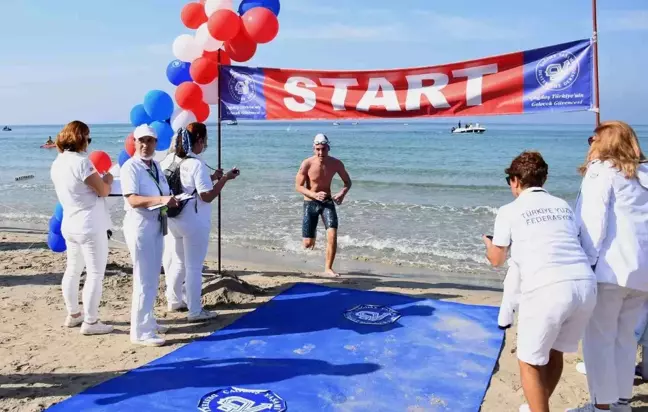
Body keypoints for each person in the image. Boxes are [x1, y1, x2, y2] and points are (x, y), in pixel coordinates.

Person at [482, 151, 596, 412]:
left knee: (529, 362)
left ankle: (538, 407)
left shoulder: (509, 210)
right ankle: (538, 405)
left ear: (514, 180)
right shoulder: (562, 205)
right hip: (584, 284)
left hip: (547, 288)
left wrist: (488, 245)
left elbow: (497, 259)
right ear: (542, 180)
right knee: (555, 352)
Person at [567, 121, 648, 412]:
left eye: (593, 137)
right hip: (641, 272)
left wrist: (584, 264)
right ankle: (622, 402)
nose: (590, 143)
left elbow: (592, 223)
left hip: (609, 269)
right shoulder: (644, 172)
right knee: (625, 338)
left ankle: (601, 405)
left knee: (598, 338)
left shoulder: (601, 170)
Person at [164, 123, 238, 320]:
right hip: (194, 221)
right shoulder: (196, 164)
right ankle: (195, 310)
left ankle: (173, 300)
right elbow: (206, 196)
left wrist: (212, 177)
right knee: (194, 266)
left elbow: (186, 185)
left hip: (174, 218)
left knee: (178, 261)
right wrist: (224, 180)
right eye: (204, 141)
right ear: (198, 141)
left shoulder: (168, 160)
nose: (205, 145)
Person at [50, 120, 114, 335]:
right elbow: (103, 190)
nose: (88, 142)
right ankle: (92, 321)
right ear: (80, 138)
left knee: (73, 269)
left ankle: (74, 314)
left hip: (70, 222)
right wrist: (109, 178)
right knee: (95, 273)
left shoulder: (58, 162)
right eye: (88, 137)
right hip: (89, 224)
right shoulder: (81, 162)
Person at [121, 124, 178, 347]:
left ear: (156, 143)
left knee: (153, 275)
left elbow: (162, 192)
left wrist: (172, 199)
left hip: (156, 223)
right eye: (141, 141)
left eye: (150, 141)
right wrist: (161, 201)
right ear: (134, 143)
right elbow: (132, 199)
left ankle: (149, 321)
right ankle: (140, 331)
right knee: (143, 278)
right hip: (140, 225)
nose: (145, 145)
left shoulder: (155, 165)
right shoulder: (130, 168)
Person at [295, 134, 351, 277]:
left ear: (328, 148)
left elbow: (347, 182)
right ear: (314, 148)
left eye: (324, 149)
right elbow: (298, 186)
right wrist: (314, 195)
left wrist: (342, 193)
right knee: (307, 244)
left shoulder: (336, 163)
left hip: (327, 202)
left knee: (332, 235)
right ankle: (311, 238)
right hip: (310, 203)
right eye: (318, 149)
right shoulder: (307, 163)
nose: (321, 153)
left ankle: (328, 268)